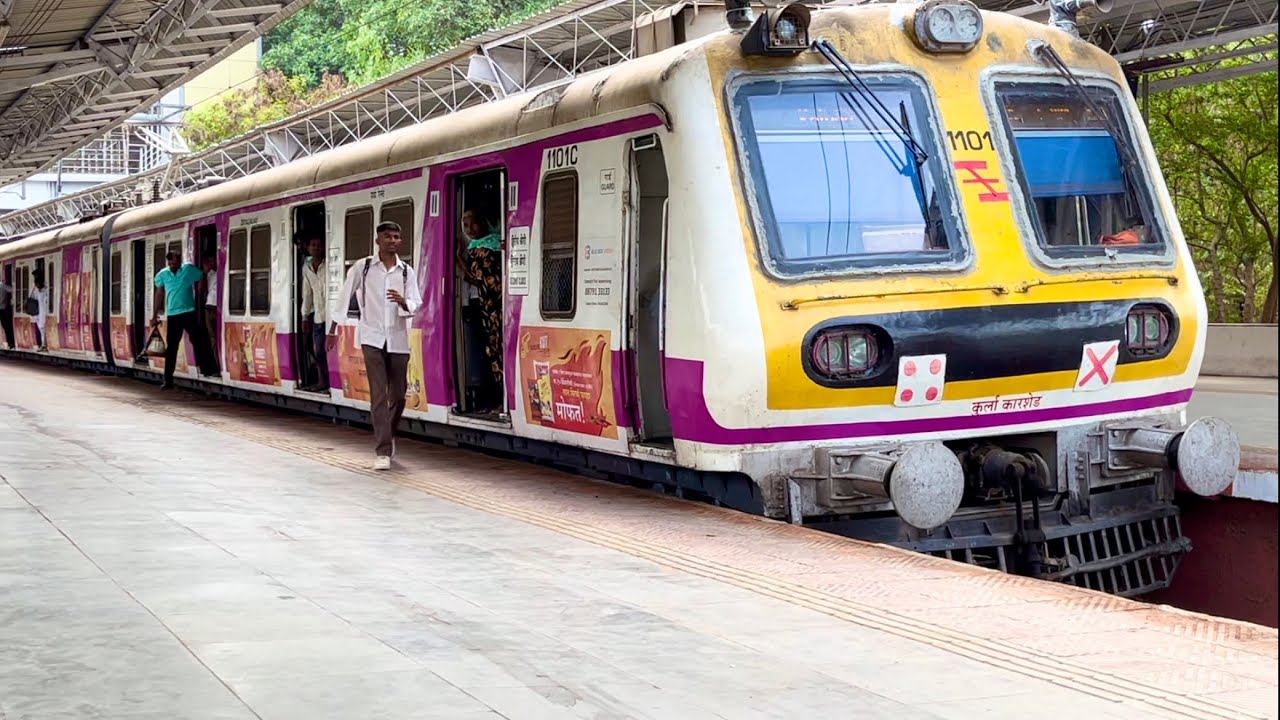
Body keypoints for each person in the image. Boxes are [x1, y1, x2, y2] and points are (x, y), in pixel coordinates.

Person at [327, 222, 422, 470]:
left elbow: (416, 302)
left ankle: (388, 435)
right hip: (372, 338)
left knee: (398, 395)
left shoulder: (406, 272)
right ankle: (383, 451)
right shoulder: (364, 267)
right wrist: (332, 329)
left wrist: (404, 302)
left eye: (397, 237)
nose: (393, 241)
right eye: (388, 237)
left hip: (398, 339)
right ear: (378, 240)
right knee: (379, 394)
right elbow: (345, 296)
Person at [152, 251, 220, 388]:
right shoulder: (163, 274)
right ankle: (168, 380)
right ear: (168, 262)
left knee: (199, 341)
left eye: (176, 264)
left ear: (180, 261)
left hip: (189, 312)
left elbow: (201, 276)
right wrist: (154, 315)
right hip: (173, 314)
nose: (173, 266)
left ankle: (209, 369)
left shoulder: (188, 269)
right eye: (171, 264)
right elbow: (159, 293)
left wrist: (201, 289)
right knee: (172, 347)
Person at [458, 207, 504, 408]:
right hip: (488, 305)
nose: (470, 229)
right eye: (466, 225)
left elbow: (477, 278)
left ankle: (493, 398)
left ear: (484, 222)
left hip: (487, 306)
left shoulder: (483, 249)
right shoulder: (493, 244)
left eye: (474, 223)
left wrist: (458, 259)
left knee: (489, 351)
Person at [299, 236, 330, 392]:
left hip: (332, 317)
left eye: (319, 245)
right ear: (308, 248)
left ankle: (330, 383)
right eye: (313, 245)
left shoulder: (329, 264)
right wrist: (305, 316)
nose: (316, 247)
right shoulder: (307, 268)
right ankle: (323, 381)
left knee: (329, 352)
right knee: (318, 351)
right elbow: (307, 294)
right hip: (318, 317)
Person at [201, 255, 219, 362]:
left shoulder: (212, 274)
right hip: (211, 306)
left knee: (213, 336)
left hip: (212, 306)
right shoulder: (211, 274)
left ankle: (216, 361)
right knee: (213, 336)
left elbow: (201, 288)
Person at [29, 271, 49, 352]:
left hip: (43, 312)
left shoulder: (45, 290)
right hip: (37, 313)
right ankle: (43, 344)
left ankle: (44, 344)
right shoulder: (36, 291)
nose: (36, 285)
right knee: (41, 329)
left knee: (43, 328)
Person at [0, 267, 13, 349]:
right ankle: (10, 342)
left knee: (5, 326)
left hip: (2, 309)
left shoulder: (2, 286)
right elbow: (12, 290)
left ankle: (9, 342)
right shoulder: (2, 286)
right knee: (6, 326)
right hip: (2, 309)